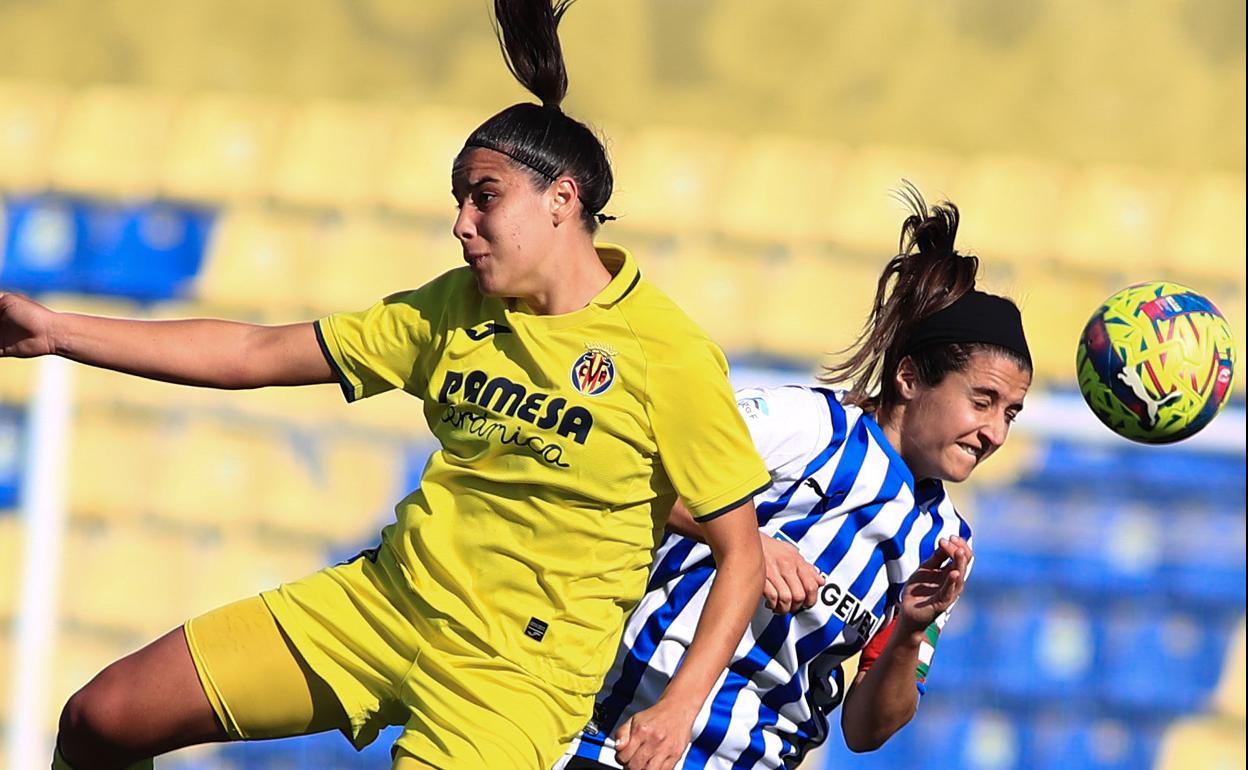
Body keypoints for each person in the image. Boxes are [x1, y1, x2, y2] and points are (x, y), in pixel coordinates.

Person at [0, 2, 772, 769]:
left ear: (562, 200)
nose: (463, 223)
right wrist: (57, 332)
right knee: (100, 719)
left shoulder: (666, 351)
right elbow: (253, 352)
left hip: (509, 683)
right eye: (459, 201)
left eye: (485, 197)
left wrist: (679, 708)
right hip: (381, 605)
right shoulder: (454, 308)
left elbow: (742, 552)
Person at [557, 189, 1032, 769]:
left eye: (1010, 412)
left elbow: (865, 729)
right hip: (617, 737)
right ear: (909, 377)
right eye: (982, 401)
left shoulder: (945, 543)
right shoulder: (808, 426)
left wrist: (910, 631)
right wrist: (745, 543)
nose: (995, 433)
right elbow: (633, 473)